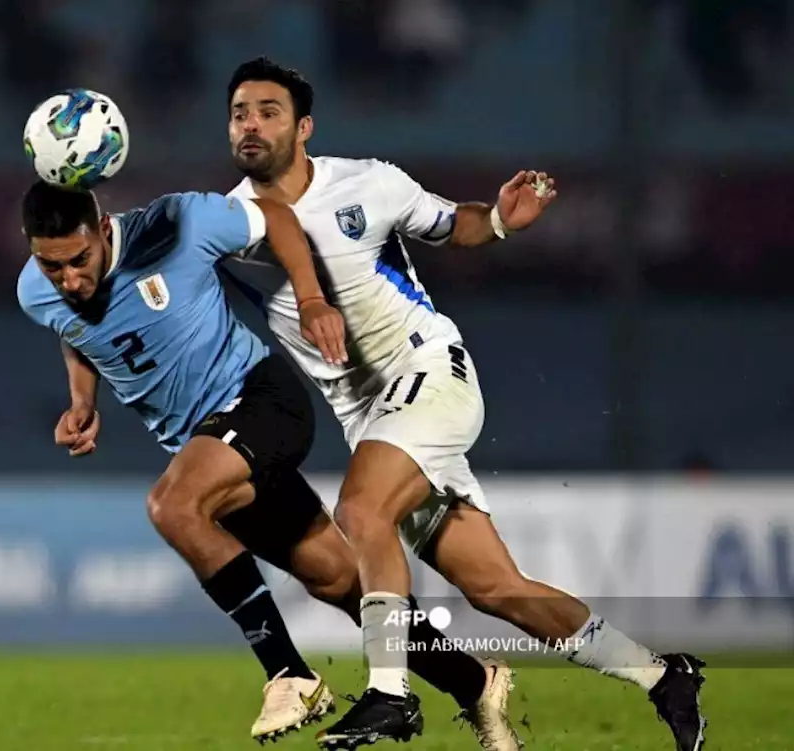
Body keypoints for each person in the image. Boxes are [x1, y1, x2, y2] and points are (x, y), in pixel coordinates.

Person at [218, 56, 707, 751]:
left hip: (430, 371)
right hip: (374, 421)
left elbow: (456, 225)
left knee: (360, 509)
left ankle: (390, 694)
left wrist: (501, 220)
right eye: (239, 112)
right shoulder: (225, 226)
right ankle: (662, 675)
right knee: (497, 588)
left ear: (304, 127)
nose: (251, 124)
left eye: (268, 111)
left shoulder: (369, 183)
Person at [15, 180, 517, 746]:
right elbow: (75, 327)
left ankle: (289, 672)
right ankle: (474, 682)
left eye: (79, 260)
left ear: (103, 229)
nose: (70, 280)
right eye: (52, 267)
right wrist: (84, 401)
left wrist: (309, 300)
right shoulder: (37, 292)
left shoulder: (177, 224)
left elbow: (277, 216)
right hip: (206, 446)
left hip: (259, 400)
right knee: (341, 581)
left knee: (173, 505)